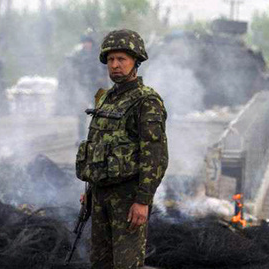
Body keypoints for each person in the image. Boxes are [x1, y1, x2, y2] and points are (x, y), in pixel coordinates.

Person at [75, 29, 168, 268]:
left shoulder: (146, 101)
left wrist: (143, 200)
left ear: (135, 61)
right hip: (101, 195)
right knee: (100, 262)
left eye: (121, 59)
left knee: (126, 264)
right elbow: (97, 146)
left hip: (128, 199)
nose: (115, 65)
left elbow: (155, 155)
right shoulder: (104, 98)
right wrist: (91, 190)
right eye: (111, 59)